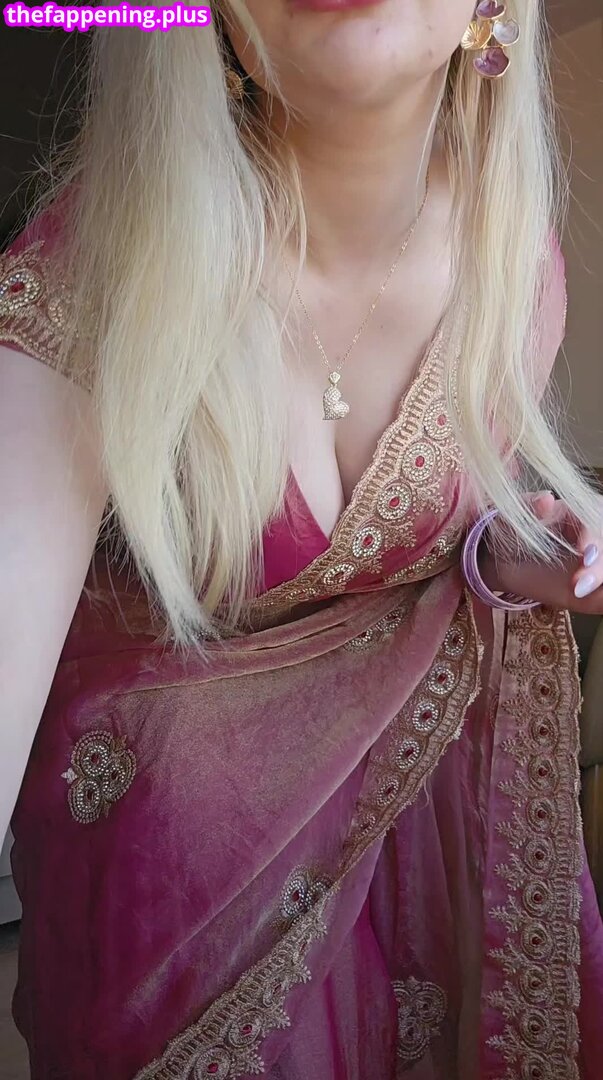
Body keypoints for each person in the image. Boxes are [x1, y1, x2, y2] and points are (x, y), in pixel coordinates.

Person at [1, 1, 602, 1076]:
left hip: (413, 882)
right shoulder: (96, 271)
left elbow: (434, 546)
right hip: (171, 919)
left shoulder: (518, 268)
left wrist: (516, 553)